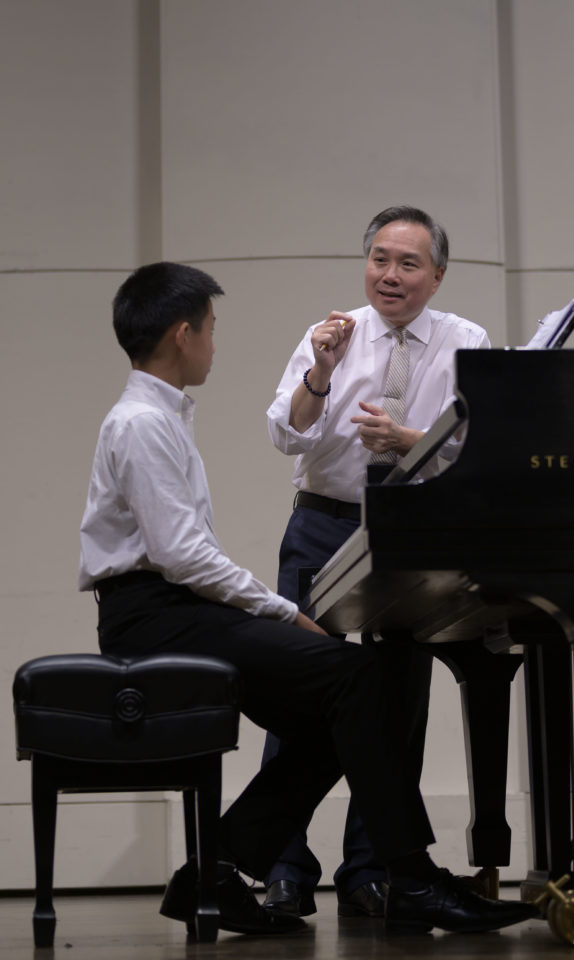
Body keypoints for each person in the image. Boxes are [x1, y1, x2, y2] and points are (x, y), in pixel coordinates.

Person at [77, 261, 535, 937]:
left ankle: (219, 870)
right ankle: (410, 877)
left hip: (167, 609)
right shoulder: (143, 424)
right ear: (182, 334)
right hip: (152, 617)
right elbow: (182, 556)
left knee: (341, 706)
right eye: (210, 328)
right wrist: (280, 609)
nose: (213, 342)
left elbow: (183, 556)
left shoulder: (157, 414)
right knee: (357, 679)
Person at [264, 206, 491, 918]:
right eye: (380, 260)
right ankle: (283, 869)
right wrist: (321, 376)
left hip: (410, 532)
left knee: (397, 700)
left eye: (408, 264)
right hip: (321, 526)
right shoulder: (329, 334)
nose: (389, 276)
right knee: (296, 696)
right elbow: (283, 432)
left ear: (438, 275)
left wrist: (410, 440)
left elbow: (484, 446)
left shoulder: (467, 340)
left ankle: (373, 870)